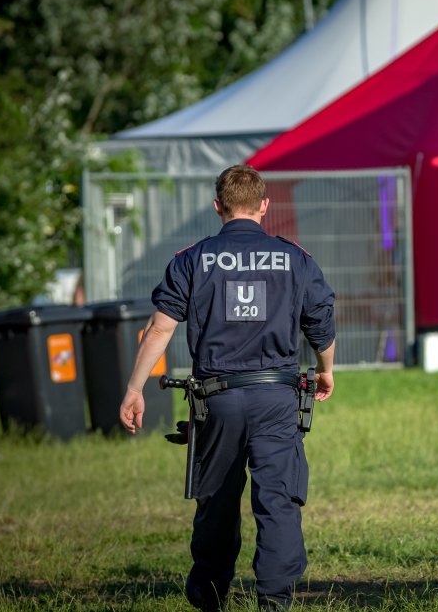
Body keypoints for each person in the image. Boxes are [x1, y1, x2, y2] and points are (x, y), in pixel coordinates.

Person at [118, 165, 336, 611]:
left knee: (216, 500)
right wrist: (324, 369)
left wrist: (135, 389)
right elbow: (321, 322)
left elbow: (159, 328)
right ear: (264, 205)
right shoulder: (294, 257)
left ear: (218, 206)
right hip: (276, 398)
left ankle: (210, 594)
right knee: (278, 500)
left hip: (216, 399)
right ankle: (274, 599)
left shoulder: (192, 258)